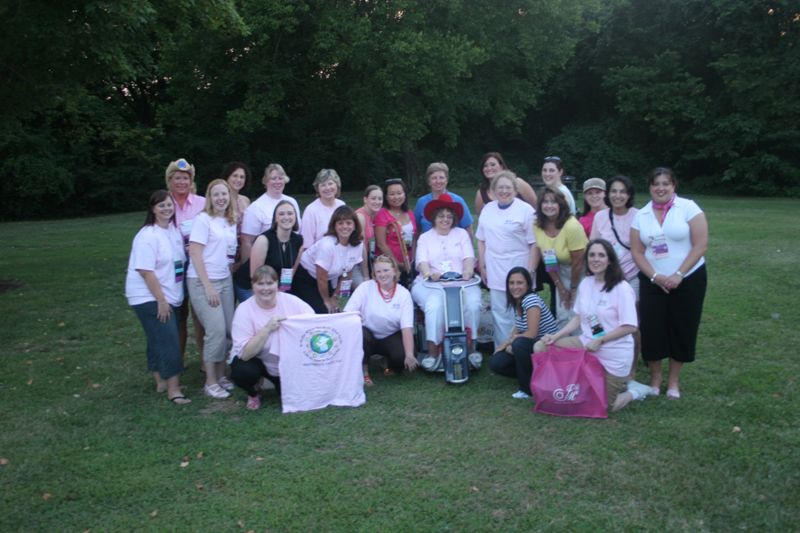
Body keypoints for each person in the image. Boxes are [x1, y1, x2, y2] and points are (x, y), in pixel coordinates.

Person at [536, 239, 642, 412]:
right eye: (592, 255)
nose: (596, 259)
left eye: (601, 255)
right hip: (586, 344)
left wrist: (600, 341)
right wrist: (556, 336)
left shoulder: (622, 289)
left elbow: (630, 327)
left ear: (610, 260)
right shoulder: (586, 283)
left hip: (613, 355)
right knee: (541, 346)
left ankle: (635, 391)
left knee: (605, 406)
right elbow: (578, 318)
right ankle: (559, 387)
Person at [631, 167, 708, 399]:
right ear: (650, 187)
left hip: (689, 279)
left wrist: (678, 275)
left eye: (666, 183)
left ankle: (674, 381)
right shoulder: (641, 215)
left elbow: (700, 244)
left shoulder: (688, 208)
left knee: (682, 327)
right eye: (656, 184)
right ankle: (655, 378)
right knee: (652, 329)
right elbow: (637, 251)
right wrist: (655, 277)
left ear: (674, 186)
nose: (661, 188)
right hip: (653, 281)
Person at [125, 190, 191, 404]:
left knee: (156, 338)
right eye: (161, 205)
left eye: (169, 204)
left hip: (169, 294)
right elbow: (146, 271)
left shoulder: (172, 230)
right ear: (153, 209)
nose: (166, 209)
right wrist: (161, 300)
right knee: (169, 339)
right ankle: (174, 389)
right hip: (149, 296)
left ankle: (161, 382)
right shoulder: (147, 235)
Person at [411, 194, 482, 370]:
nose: (445, 219)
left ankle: (472, 349)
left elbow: (468, 257)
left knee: (473, 303)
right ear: (434, 217)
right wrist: (429, 273)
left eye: (449, 216)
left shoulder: (462, 234)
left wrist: (467, 271)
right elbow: (421, 262)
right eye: (441, 216)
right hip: (431, 284)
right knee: (435, 305)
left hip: (461, 282)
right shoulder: (425, 237)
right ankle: (433, 351)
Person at [229, 266, 314, 410]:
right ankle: (253, 393)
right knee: (242, 371)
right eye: (260, 284)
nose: (265, 288)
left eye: (270, 283)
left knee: (291, 394)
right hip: (258, 360)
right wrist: (266, 329)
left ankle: (275, 382)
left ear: (277, 284)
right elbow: (245, 354)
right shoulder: (244, 310)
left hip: (288, 363)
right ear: (252, 286)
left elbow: (313, 325)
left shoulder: (292, 301)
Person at [187, 179, 237, 399]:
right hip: (202, 281)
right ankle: (210, 382)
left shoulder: (230, 220)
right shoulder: (203, 220)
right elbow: (195, 253)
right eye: (216, 194)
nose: (220, 198)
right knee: (215, 330)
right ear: (209, 197)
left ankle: (220, 375)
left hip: (225, 280)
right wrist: (208, 286)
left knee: (228, 330)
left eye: (224, 194)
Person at [476, 171, 538, 348]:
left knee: (521, 312)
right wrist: (483, 266)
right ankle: (502, 349)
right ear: (494, 190)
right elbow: (481, 240)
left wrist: (530, 271)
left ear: (515, 190)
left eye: (508, 188)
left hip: (519, 267)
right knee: (499, 311)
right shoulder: (488, 210)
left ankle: (521, 348)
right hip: (495, 267)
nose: (504, 191)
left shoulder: (526, 211)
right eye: (500, 188)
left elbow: (535, 244)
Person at [590, 175, 641, 377]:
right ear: (608, 194)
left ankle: (632, 367)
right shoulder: (600, 217)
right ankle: (603, 360)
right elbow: (592, 247)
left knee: (632, 324)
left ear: (629, 194)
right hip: (607, 278)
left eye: (622, 191)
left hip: (632, 277)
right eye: (613, 191)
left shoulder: (638, 215)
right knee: (603, 319)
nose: (617, 195)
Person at [344, 254, 419, 385]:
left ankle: (386, 362)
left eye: (386, 270)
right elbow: (348, 312)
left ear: (395, 271)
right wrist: (356, 316)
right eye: (378, 271)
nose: (382, 275)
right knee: (359, 333)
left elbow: (406, 327)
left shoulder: (404, 294)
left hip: (390, 335)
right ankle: (364, 371)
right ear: (374, 274)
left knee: (403, 358)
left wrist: (409, 354)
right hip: (367, 334)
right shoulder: (365, 287)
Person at [489, 267, 559, 399]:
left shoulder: (531, 300)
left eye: (519, 283)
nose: (515, 287)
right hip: (531, 346)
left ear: (528, 284)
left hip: (546, 347)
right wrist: (506, 344)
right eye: (511, 283)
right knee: (496, 362)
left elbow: (532, 333)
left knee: (519, 344)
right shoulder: (518, 301)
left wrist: (509, 343)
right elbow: (519, 327)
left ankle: (526, 389)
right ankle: (536, 374)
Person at [165, 157, 206, 362]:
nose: (182, 182)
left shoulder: (202, 203)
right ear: (170, 180)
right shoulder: (164, 204)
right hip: (174, 265)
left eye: (186, 178)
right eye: (177, 178)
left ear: (191, 182)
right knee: (179, 315)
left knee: (200, 314)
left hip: (197, 263)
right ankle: (177, 360)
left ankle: (204, 361)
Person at [295, 205, 367, 313]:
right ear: (334, 226)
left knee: (341, 309)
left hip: (328, 279)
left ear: (355, 225)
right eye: (340, 223)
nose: (344, 227)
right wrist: (327, 300)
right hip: (305, 277)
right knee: (324, 310)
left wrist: (336, 296)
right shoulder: (327, 245)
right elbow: (321, 278)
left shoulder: (358, 245)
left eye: (348, 223)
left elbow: (348, 274)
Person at [534, 187, 588, 328]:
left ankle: (585, 345)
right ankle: (565, 347)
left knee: (580, 311)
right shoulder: (537, 226)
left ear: (561, 205)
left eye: (553, 202)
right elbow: (548, 258)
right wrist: (561, 287)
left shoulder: (572, 226)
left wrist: (573, 288)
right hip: (561, 269)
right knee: (563, 311)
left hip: (583, 271)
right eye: (545, 202)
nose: (549, 206)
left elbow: (578, 261)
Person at [234, 200, 304, 300]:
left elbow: (289, 273)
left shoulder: (299, 241)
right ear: (275, 219)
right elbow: (254, 275)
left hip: (272, 286)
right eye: (281, 214)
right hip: (249, 286)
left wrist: (282, 292)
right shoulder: (264, 240)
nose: (286, 217)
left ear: (295, 217)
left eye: (290, 213)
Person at [240, 163, 301, 266]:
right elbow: (247, 241)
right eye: (273, 178)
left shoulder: (292, 202)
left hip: (290, 260)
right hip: (266, 263)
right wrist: (251, 269)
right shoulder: (256, 207)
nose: (277, 182)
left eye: (280, 178)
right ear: (266, 181)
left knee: (287, 282)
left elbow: (298, 232)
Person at [374, 178, 416, 287]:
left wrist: (413, 260)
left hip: (409, 263)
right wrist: (396, 263)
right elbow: (381, 243)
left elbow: (414, 236)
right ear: (386, 197)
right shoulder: (382, 214)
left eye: (399, 193)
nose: (396, 197)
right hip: (389, 266)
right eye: (392, 194)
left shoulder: (409, 212)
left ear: (405, 194)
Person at [414, 162, 474, 236]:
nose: (438, 181)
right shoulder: (421, 202)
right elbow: (417, 229)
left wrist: (469, 246)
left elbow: (468, 228)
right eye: (434, 178)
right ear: (429, 181)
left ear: (447, 180)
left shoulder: (458, 201)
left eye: (441, 177)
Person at [222, 161, 253, 301]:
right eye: (235, 176)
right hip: (226, 256)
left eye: (242, 177)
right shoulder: (221, 200)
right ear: (227, 177)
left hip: (244, 254)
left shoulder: (245, 200)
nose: (238, 179)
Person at [301, 168, 346, 248]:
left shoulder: (342, 205)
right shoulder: (311, 210)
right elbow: (306, 245)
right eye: (323, 185)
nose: (327, 188)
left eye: (330, 183)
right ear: (318, 188)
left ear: (337, 185)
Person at [354, 185, 383, 273]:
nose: (377, 202)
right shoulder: (360, 217)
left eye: (380, 199)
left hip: (368, 259)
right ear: (365, 199)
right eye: (373, 198)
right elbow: (361, 248)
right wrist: (366, 274)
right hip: (355, 264)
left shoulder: (374, 214)